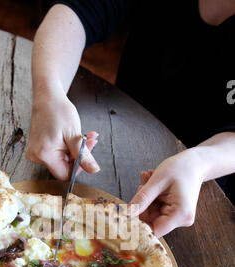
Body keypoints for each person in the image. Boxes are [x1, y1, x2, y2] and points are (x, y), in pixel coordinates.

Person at [26, 0, 235, 238]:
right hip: (120, 140)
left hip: (209, 189)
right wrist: (48, 95)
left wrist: (199, 162)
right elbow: (77, 10)